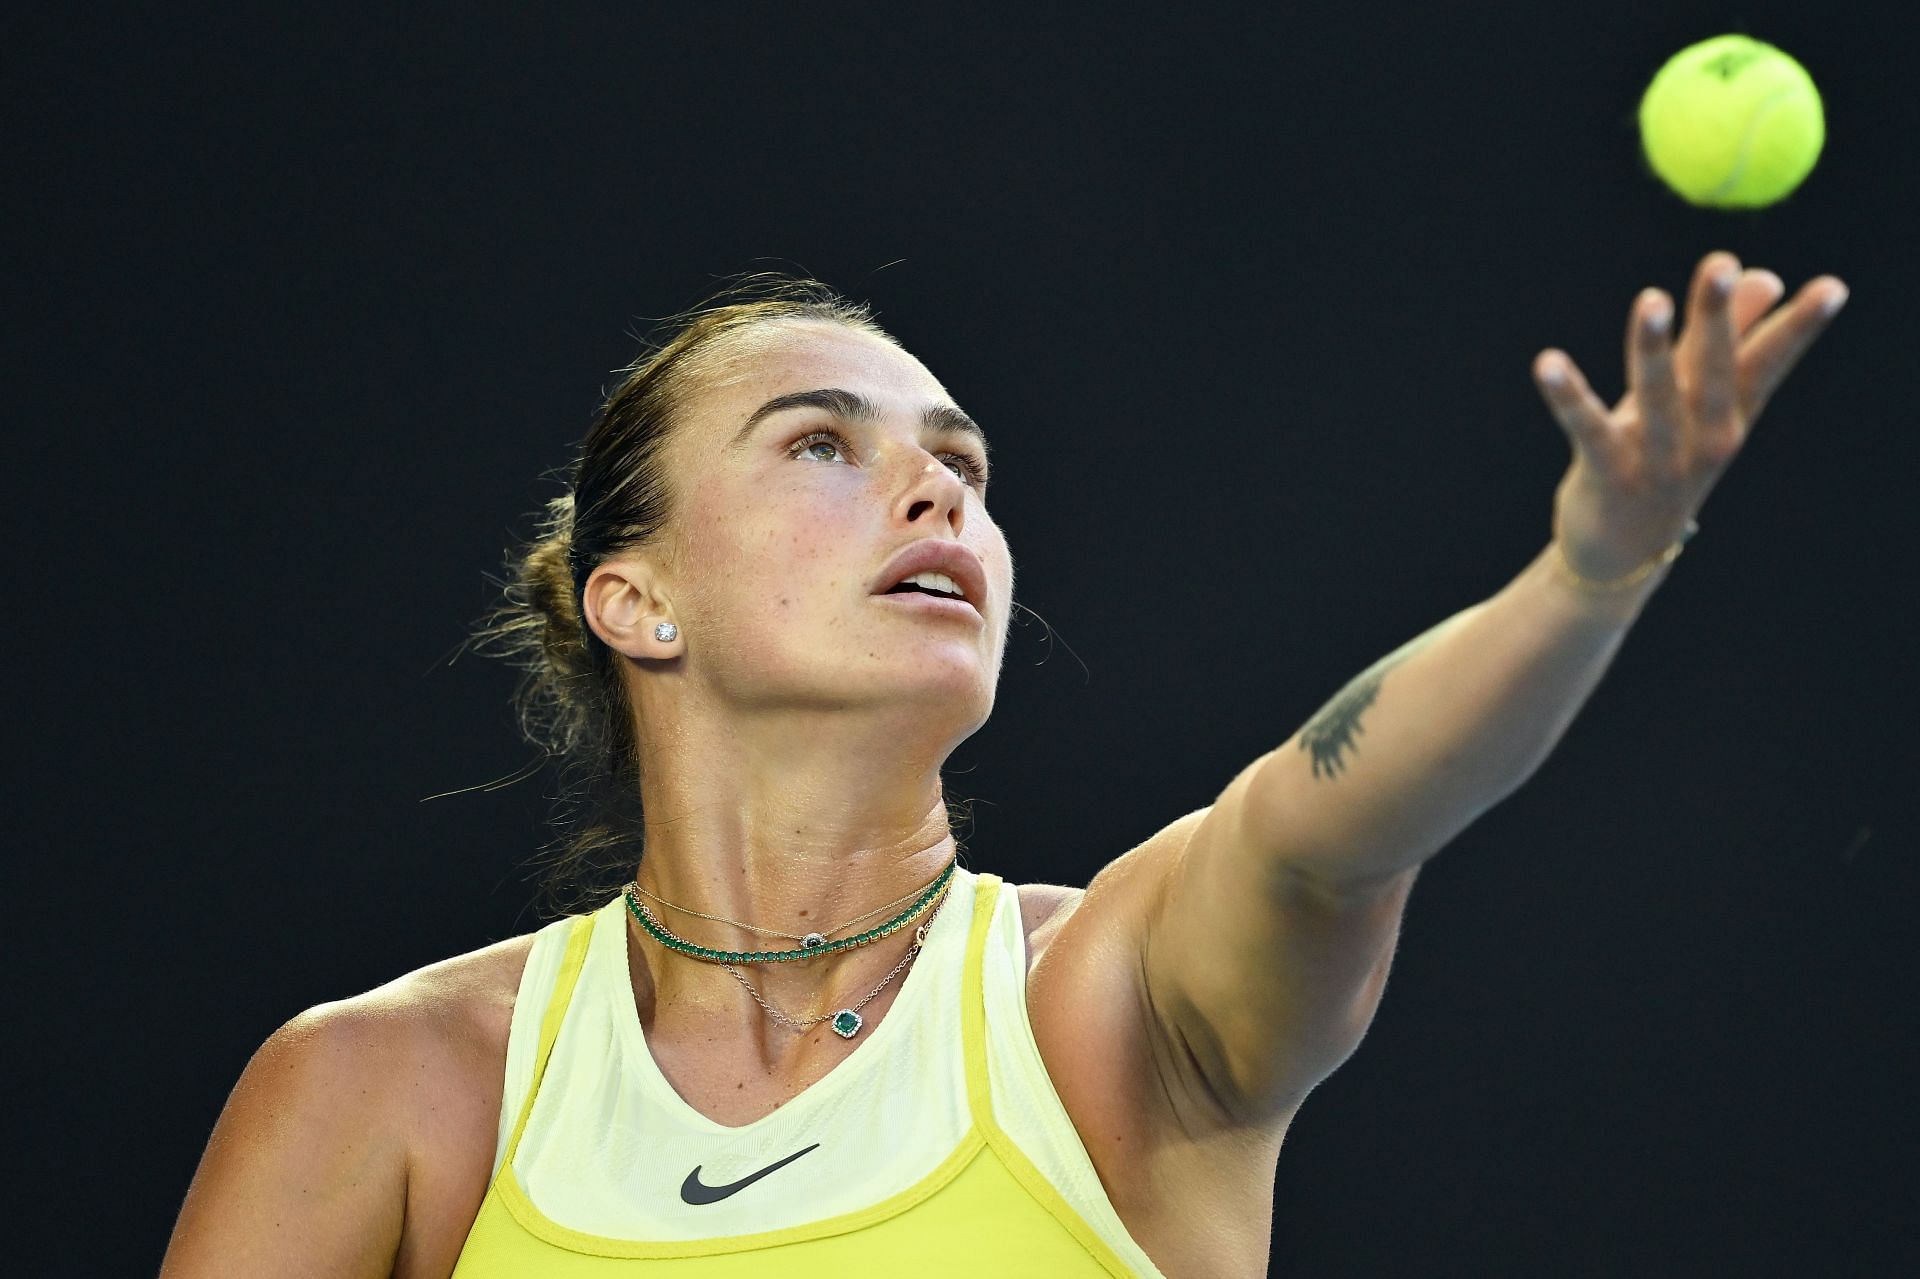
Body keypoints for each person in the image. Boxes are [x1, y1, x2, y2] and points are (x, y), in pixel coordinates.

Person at [159, 256, 1847, 1277]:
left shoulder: (1106, 1005)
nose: (937, 494)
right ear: (636, 598)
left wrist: (1590, 573)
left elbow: (1334, 829)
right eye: (824, 443)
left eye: (962, 465)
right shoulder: (391, 1092)